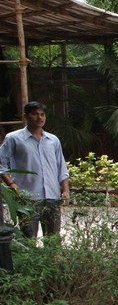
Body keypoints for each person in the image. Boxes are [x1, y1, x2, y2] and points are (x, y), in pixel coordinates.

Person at [0, 101, 70, 238]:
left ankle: (52, 260)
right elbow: (0, 163)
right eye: (35, 114)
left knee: (53, 238)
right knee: (29, 237)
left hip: (52, 197)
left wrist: (66, 190)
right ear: (26, 116)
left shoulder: (53, 140)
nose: (39, 118)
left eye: (42, 114)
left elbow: (61, 167)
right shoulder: (14, 138)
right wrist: (12, 185)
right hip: (27, 197)